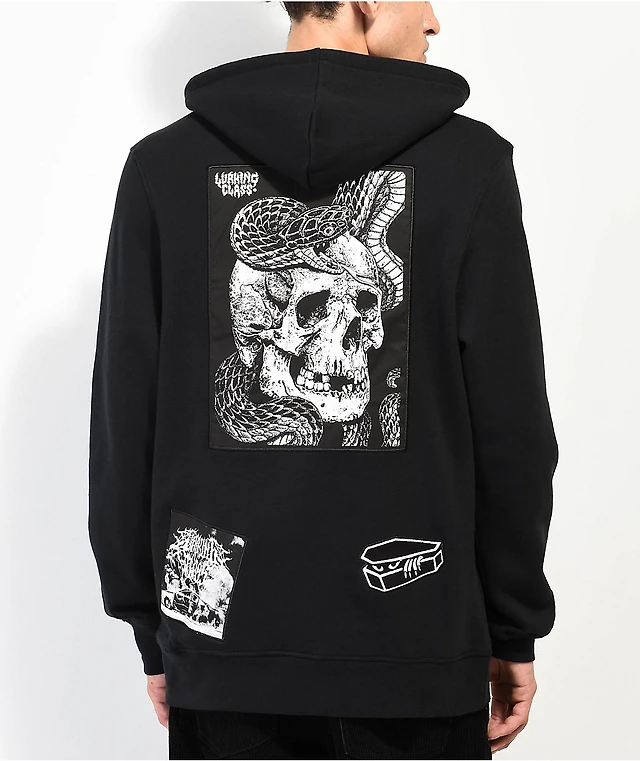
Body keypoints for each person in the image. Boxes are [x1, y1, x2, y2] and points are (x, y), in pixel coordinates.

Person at [87, 1, 559, 758]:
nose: (434, 21)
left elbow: (122, 425)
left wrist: (155, 630)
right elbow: (513, 428)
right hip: (418, 644)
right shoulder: (471, 165)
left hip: (222, 645)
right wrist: (513, 625)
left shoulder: (161, 168)